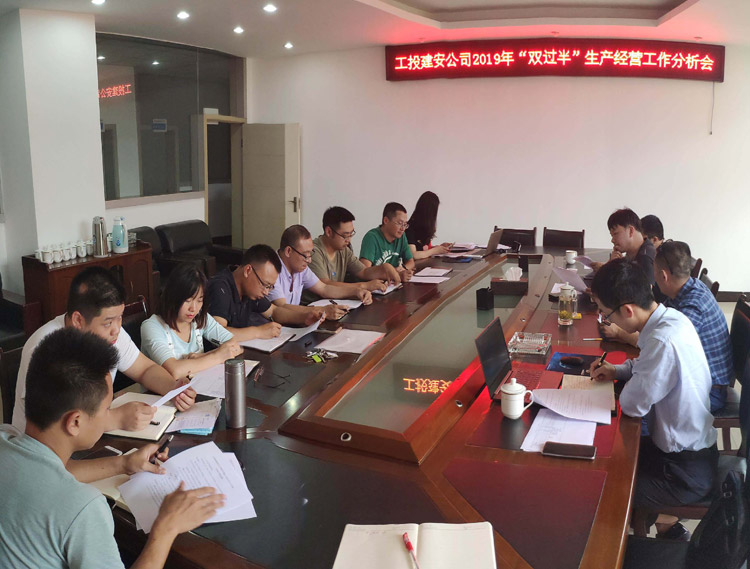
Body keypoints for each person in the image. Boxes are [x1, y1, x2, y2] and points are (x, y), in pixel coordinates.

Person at [0, 328, 225, 569]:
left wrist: (123, 463)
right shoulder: (82, 508)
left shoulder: (6, 437)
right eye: (106, 409)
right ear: (75, 422)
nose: (109, 414)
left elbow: (52, 473)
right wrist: (166, 528)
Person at [589, 259, 717, 539]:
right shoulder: (670, 319)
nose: (606, 321)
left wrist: (626, 381)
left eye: (606, 314)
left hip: (682, 473)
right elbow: (644, 365)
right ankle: (667, 527)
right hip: (685, 453)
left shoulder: (662, 341)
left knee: (603, 487)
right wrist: (617, 370)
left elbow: (632, 404)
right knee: (606, 460)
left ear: (627, 310)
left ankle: (629, 546)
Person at [12, 266, 196, 440]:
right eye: (108, 322)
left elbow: (144, 369)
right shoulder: (46, 348)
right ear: (78, 320)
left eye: (120, 318)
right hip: (43, 451)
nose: (116, 329)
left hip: (93, 437)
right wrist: (116, 418)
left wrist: (173, 388)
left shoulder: (111, 334)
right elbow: (55, 428)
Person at [140, 263, 243, 379]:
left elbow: (234, 346)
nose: (193, 308)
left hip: (197, 384)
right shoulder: (152, 327)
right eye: (188, 300)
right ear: (172, 296)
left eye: (199, 300)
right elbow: (174, 370)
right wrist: (218, 356)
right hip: (163, 389)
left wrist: (201, 357)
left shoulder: (200, 317)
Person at [206, 244, 324, 341]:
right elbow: (217, 333)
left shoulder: (250, 289)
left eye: (270, 287)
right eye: (265, 285)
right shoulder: (220, 287)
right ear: (248, 270)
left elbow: (273, 311)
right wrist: (258, 332)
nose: (266, 292)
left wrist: (304, 317)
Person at [269, 225, 373, 320]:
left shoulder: (300, 267)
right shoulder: (270, 269)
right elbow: (281, 306)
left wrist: (356, 292)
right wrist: (323, 311)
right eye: (305, 255)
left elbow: (324, 288)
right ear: (288, 251)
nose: (309, 260)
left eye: (311, 253)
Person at [305, 207, 402, 304]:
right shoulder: (313, 252)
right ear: (329, 232)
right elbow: (325, 285)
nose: (349, 240)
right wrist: (365, 286)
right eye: (345, 235)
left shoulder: (343, 250)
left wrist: (384, 268)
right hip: (313, 305)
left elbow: (363, 272)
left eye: (351, 234)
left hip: (334, 303)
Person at [591, 208, 655, 284]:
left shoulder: (645, 257)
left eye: (615, 234)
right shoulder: (632, 251)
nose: (612, 240)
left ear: (630, 231)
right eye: (612, 235)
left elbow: (646, 290)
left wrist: (611, 268)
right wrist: (610, 265)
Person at [359, 202, 416, 281]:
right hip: (375, 285)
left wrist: (403, 268)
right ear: (386, 220)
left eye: (405, 224)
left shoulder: (401, 236)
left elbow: (411, 262)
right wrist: (395, 274)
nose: (403, 228)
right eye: (400, 223)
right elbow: (365, 273)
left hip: (392, 283)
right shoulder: (371, 238)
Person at [405, 191, 452, 259]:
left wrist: (439, 248)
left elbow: (424, 249)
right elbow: (413, 255)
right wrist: (434, 250)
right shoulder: (409, 228)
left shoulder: (425, 227)